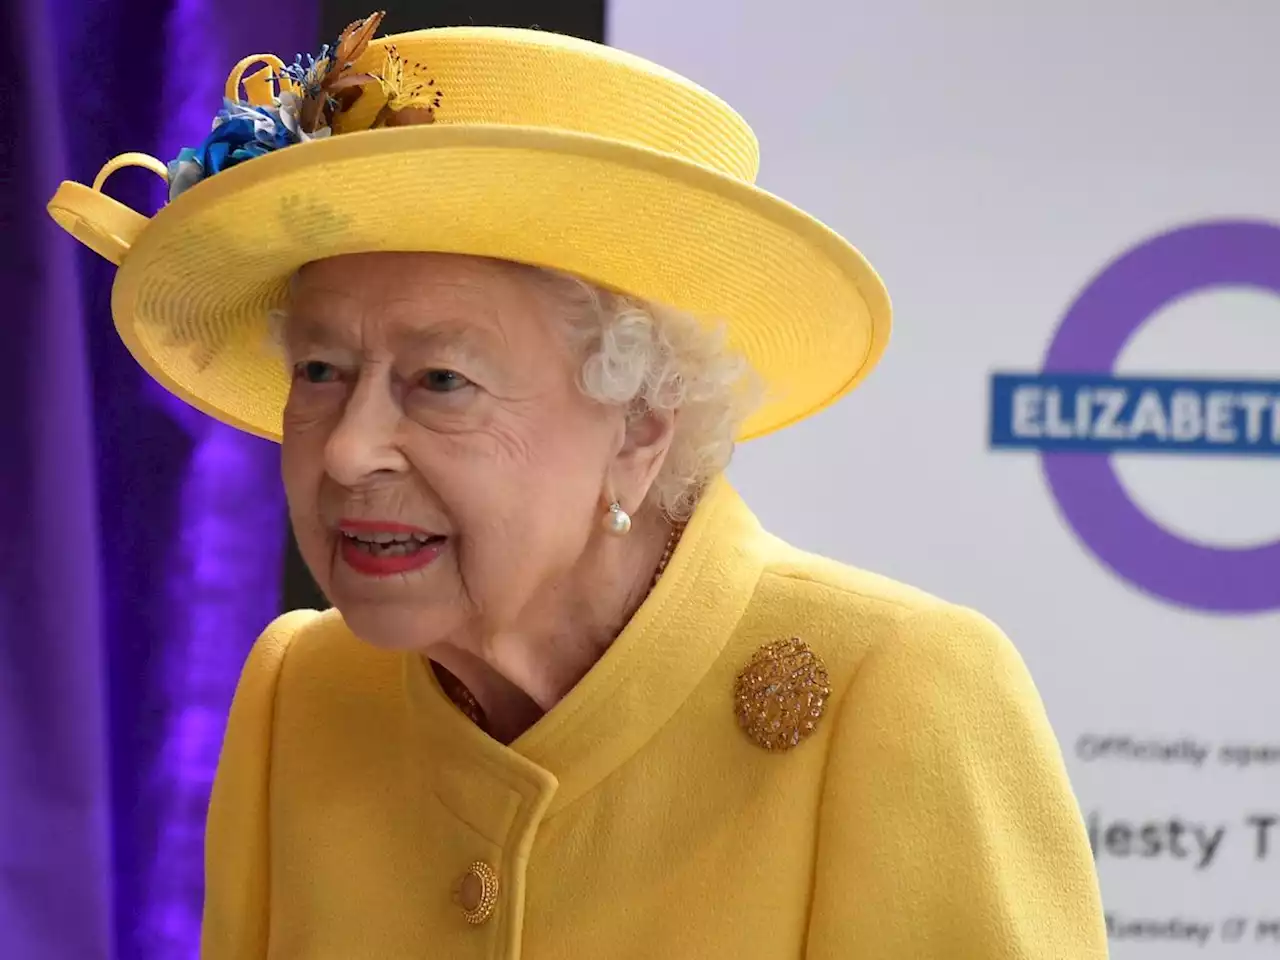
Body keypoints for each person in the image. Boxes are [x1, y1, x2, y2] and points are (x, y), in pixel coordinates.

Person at [48, 13, 1109, 959]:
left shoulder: (894, 690)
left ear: (640, 427)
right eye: (322, 371)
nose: (345, 450)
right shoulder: (302, 690)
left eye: (441, 380)